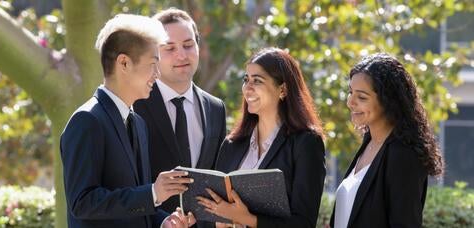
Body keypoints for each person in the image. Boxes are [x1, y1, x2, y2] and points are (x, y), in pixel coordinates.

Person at [60, 14, 196, 228]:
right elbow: (82, 203)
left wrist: (163, 222)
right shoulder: (86, 121)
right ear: (124, 62)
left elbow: (135, 203)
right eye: (153, 64)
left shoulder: (138, 123)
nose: (157, 74)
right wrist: (152, 193)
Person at [196, 47, 326, 227]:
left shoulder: (306, 143)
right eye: (246, 79)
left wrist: (247, 219)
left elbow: (304, 222)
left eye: (257, 81)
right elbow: (211, 214)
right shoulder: (232, 144)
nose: (247, 88)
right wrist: (219, 222)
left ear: (283, 90)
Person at [330, 53, 444, 228]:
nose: (350, 102)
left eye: (361, 97)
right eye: (350, 92)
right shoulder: (369, 143)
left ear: (388, 101)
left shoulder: (403, 155)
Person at [133, 8, 227, 213]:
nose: (181, 55)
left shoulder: (216, 108)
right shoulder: (134, 105)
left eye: (188, 45)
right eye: (169, 48)